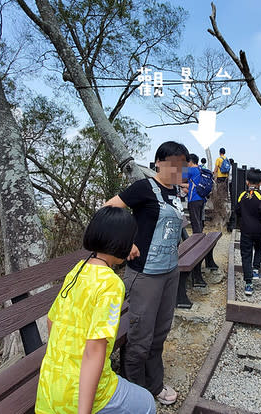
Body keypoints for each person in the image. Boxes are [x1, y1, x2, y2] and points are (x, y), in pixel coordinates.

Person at [35, 207, 155, 414]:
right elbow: (94, 350)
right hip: (76, 395)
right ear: (122, 242)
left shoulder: (78, 269)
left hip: (50, 388)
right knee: (146, 404)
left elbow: (51, 321)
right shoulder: (111, 285)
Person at [103, 141, 189, 406]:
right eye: (174, 163)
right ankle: (134, 393)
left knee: (160, 332)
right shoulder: (143, 187)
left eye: (182, 165)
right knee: (140, 336)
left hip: (170, 271)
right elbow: (108, 209)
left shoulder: (175, 192)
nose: (178, 169)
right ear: (159, 162)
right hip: (145, 274)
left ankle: (155, 384)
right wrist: (125, 243)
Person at [236, 168, 261, 296]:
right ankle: (256, 269)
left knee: (246, 255)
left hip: (245, 230)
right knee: (259, 248)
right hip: (259, 229)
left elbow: (237, 210)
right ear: (260, 183)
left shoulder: (242, 195)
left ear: (247, 182)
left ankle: (248, 284)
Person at [186, 154, 205, 234]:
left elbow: (176, 178)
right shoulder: (200, 169)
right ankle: (200, 240)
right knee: (199, 221)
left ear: (190, 161)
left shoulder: (190, 170)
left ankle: (198, 243)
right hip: (201, 199)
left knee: (195, 223)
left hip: (193, 199)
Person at [213, 147, 230, 229]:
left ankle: (220, 198)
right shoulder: (227, 159)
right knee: (225, 190)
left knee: (220, 190)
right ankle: (224, 198)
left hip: (220, 177)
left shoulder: (218, 159)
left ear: (219, 152)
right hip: (226, 177)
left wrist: (214, 175)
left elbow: (216, 169)